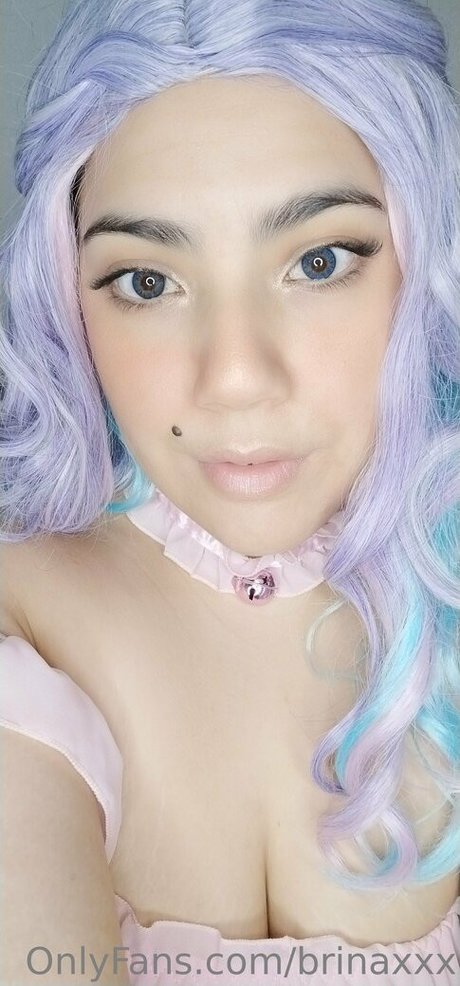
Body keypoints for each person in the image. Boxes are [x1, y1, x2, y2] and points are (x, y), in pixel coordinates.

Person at [1, 0, 459, 983]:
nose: (236, 377)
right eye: (147, 281)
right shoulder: (23, 624)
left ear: (430, 261)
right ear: (66, 299)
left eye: (318, 262)